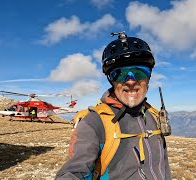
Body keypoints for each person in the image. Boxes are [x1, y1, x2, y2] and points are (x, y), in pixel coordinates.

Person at [55, 32, 172, 179]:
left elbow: (164, 165)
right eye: (119, 74)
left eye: (139, 72)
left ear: (149, 77)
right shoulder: (94, 122)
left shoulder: (153, 115)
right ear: (111, 80)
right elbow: (74, 172)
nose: (130, 81)